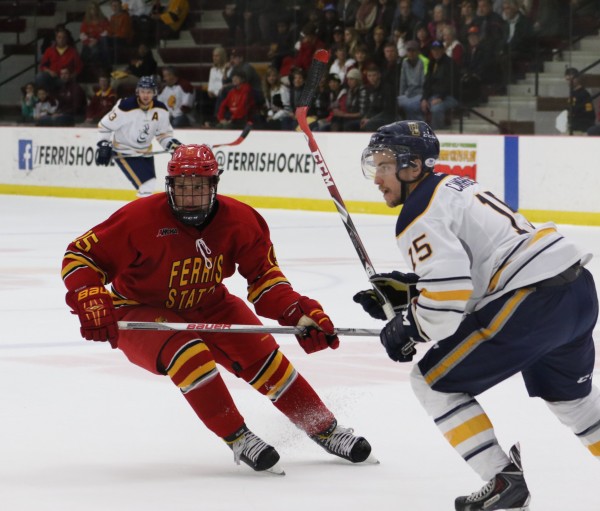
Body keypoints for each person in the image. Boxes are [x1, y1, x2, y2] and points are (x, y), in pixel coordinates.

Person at [61, 143, 375, 474]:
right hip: (139, 307)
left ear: (214, 186)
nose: (190, 196)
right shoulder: (139, 218)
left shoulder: (240, 219)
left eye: (199, 187)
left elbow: (265, 279)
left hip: (209, 302)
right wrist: (88, 294)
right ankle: (239, 438)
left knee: (264, 357)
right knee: (188, 353)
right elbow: (80, 257)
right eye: (182, 187)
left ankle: (323, 428)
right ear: (170, 185)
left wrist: (297, 311)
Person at [354, 120, 600, 510]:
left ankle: (503, 482)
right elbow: (474, 270)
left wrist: (409, 327)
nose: (377, 178)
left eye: (384, 166)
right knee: (573, 402)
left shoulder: (418, 213)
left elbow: (449, 301)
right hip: (575, 291)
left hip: (533, 302)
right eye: (376, 166)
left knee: (432, 381)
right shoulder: (454, 186)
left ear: (413, 167)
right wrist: (413, 291)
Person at [95, 76, 181, 198]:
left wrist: (171, 144)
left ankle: (141, 213)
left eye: (149, 92)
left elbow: (163, 134)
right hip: (125, 152)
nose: (145, 95)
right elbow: (105, 126)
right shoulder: (125, 107)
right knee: (147, 185)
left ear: (154, 93)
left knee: (149, 185)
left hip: (146, 153)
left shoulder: (161, 109)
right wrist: (103, 143)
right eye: (143, 92)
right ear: (137, 92)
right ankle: (142, 215)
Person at [36, 27, 83, 93]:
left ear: (66, 39)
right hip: (52, 77)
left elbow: (79, 67)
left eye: (63, 38)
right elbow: (42, 66)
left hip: (65, 78)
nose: (61, 40)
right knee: (40, 77)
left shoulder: (73, 52)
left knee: (66, 83)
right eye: (59, 37)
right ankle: (47, 98)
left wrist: (71, 76)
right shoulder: (49, 50)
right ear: (56, 38)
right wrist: (49, 72)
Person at [564, 67, 596, 134]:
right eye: (567, 80)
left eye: (571, 79)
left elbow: (589, 114)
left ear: (577, 78)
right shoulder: (572, 93)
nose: (569, 82)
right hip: (573, 126)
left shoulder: (584, 94)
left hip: (582, 128)